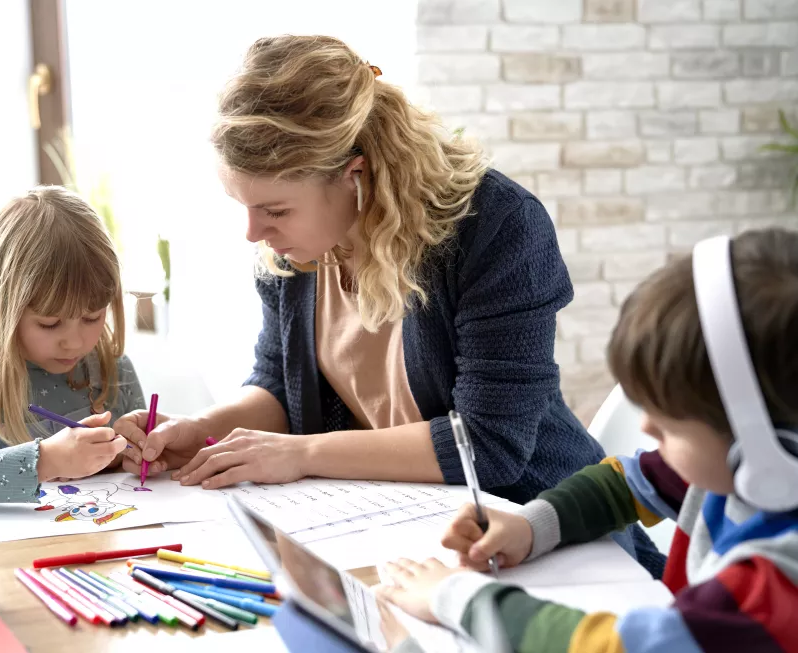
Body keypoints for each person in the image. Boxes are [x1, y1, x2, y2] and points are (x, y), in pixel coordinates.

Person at [117, 34, 662, 575]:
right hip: (388, 530)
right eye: (243, 206)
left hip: (530, 528)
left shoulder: (496, 228)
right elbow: (280, 386)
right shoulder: (296, 251)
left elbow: (487, 445)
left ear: (354, 176)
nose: (253, 233)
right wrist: (202, 429)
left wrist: (300, 453)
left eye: (275, 211)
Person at [376, 228, 798, 652]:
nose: (647, 429)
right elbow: (626, 485)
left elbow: (615, 647)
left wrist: (454, 597)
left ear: (761, 444)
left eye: (670, 426)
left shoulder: (773, 588)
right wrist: (529, 527)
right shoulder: (745, 471)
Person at [0, 186, 145, 508]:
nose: (75, 341)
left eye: (92, 317)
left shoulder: (113, 368)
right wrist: (44, 461)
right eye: (49, 323)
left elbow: (125, 467)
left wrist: (132, 458)